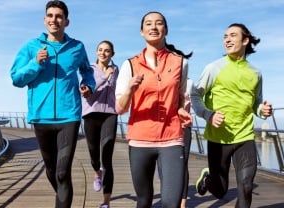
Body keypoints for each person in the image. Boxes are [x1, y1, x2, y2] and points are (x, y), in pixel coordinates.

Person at [10, 1, 95, 207]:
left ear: (66, 21)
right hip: (41, 116)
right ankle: (64, 198)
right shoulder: (32, 47)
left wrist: (88, 85)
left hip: (69, 116)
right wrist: (35, 63)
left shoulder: (77, 47)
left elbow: (87, 71)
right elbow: (17, 79)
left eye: (58, 16)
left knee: (62, 171)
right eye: (50, 15)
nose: (54, 20)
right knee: (52, 171)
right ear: (44, 19)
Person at [115, 11, 193, 208]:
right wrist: (130, 91)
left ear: (165, 30)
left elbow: (182, 95)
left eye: (159, 23)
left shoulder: (180, 62)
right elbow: (119, 108)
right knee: (144, 200)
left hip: (172, 138)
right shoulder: (130, 65)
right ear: (142, 31)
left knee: (171, 202)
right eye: (148, 24)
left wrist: (183, 109)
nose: (154, 27)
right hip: (140, 139)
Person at [191, 23, 273, 208]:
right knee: (220, 191)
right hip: (218, 137)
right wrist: (208, 114)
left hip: (244, 136)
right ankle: (208, 178)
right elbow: (195, 95)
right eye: (225, 36)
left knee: (245, 186)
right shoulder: (214, 68)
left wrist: (262, 110)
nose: (227, 39)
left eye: (233, 35)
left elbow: (256, 102)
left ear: (245, 40)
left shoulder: (256, 73)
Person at [81, 40, 119, 208]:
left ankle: (106, 202)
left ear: (112, 54)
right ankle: (97, 173)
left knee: (107, 157)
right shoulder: (88, 69)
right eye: (101, 50)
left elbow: (121, 90)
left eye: (107, 51)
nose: (103, 53)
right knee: (94, 155)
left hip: (110, 114)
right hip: (91, 114)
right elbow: (88, 92)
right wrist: (106, 76)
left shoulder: (116, 70)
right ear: (96, 52)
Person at [181, 78, 193, 208]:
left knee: (183, 164)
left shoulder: (189, 83)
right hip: (166, 129)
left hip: (185, 127)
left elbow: (198, 103)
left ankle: (183, 203)